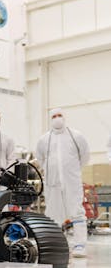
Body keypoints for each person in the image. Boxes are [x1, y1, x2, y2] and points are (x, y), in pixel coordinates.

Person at [36, 108, 90, 258]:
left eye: (60, 115)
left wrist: (72, 171)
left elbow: (84, 156)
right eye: (54, 116)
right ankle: (57, 244)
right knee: (53, 214)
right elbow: (40, 159)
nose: (57, 118)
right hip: (52, 183)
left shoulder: (76, 136)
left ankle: (79, 245)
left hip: (71, 182)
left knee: (76, 211)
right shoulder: (44, 140)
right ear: (50, 119)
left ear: (64, 117)